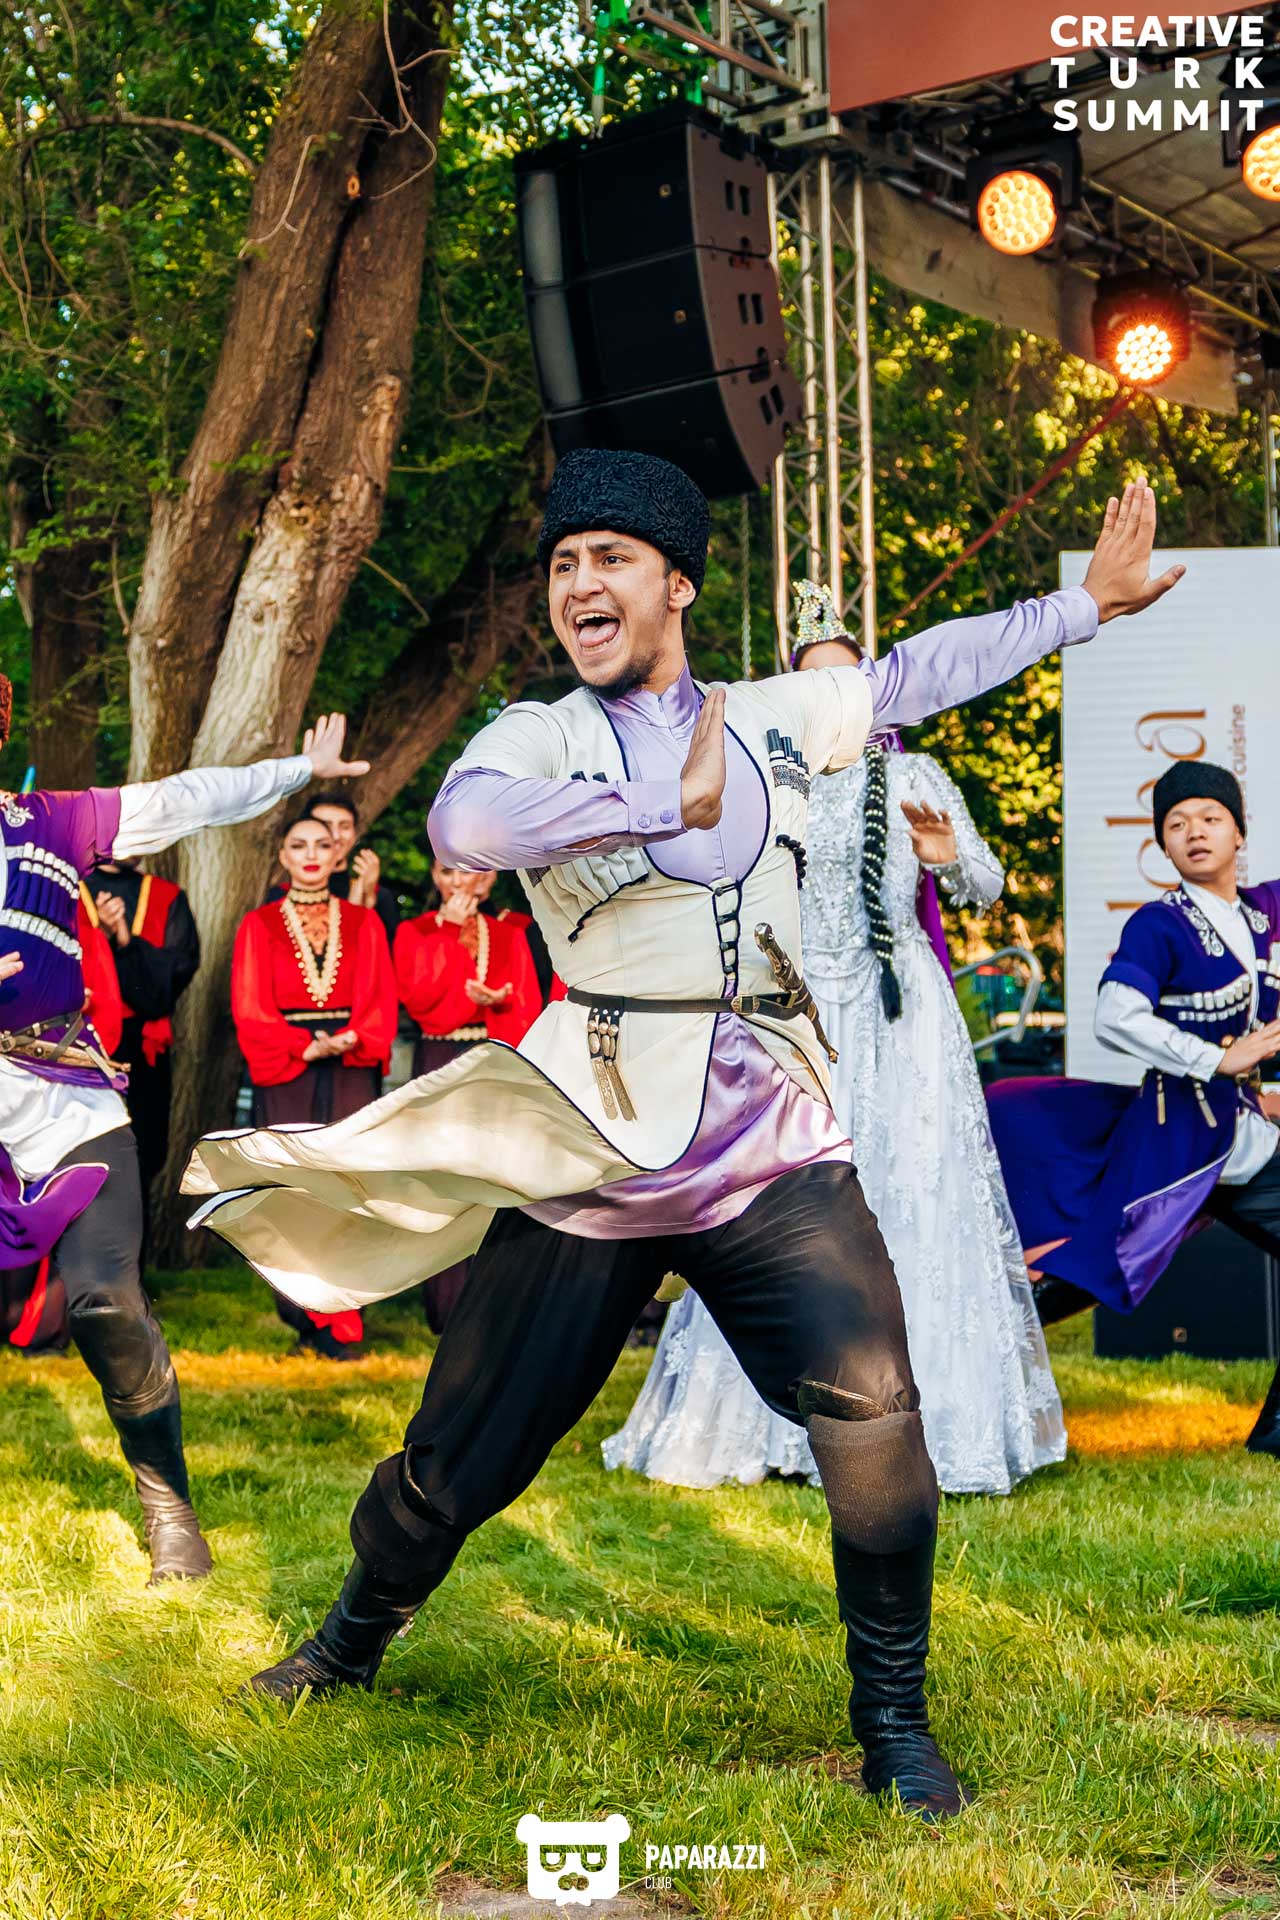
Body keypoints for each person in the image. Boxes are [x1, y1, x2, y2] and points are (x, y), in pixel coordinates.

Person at [184, 459, 1180, 1819]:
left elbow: (918, 671)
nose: (578, 584)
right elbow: (465, 819)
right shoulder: (543, 732)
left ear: (678, 584)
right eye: (562, 564)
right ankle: (349, 1640)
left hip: (770, 1135)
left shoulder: (773, 714)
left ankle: (894, 1722)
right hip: (598, 1138)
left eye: (608, 558)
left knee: (872, 1401)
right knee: (466, 1444)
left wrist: (1084, 609)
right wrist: (664, 805)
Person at [605, 582, 1067, 1497]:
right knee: (787, 1200)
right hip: (798, 1019)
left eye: (844, 680)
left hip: (903, 1019)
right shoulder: (763, 785)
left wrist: (950, 861)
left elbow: (987, 887)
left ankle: (937, 1420)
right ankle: (778, 1422)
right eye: (811, 682)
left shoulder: (917, 778)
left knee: (916, 1191)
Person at [0, 695, 369, 1580]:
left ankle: (168, 1505)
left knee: (105, 1301)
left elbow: (187, 798)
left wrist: (300, 772)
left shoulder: (53, 820)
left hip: (68, 1101)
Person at [987, 760, 1280, 1457]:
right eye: (1176, 824)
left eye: (1210, 818)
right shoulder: (1160, 924)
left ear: (1239, 832)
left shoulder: (1266, 912)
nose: (1194, 832)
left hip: (1243, 1139)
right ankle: (953, 1375)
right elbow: (1115, 1015)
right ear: (1164, 846)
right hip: (1172, 1143)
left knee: (1087, 1270)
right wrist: (1216, 1060)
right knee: (1083, 1274)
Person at [232, 812, 397, 1358]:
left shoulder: (364, 922)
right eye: (298, 845)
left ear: (337, 855)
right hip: (288, 1063)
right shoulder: (259, 924)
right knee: (293, 1188)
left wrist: (353, 1037)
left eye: (321, 845)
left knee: (349, 1185)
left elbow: (380, 997)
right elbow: (249, 1005)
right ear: (282, 856)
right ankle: (304, 1317)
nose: (310, 855)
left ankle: (347, 1321)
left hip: (349, 1064)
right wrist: (299, 1045)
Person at [395, 861, 543, 1332]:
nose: (460, 881)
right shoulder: (414, 932)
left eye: (472, 870)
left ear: (490, 877)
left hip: (491, 1057)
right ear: (435, 877)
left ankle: (498, 1301)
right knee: (443, 1177)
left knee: (495, 1175)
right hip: (440, 1057)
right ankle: (448, 1305)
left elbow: (527, 1008)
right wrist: (450, 934)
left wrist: (500, 1002)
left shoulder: (509, 934)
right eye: (448, 871)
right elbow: (421, 1001)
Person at [82, 858, 200, 1216]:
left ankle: (134, 1253)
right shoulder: (67, 888)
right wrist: (100, 938)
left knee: (140, 1159)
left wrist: (124, 940)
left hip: (142, 1052)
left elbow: (161, 992)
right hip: (79, 1047)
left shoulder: (167, 897)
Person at [267, 791, 399, 945]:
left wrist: (368, 899)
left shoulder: (378, 896)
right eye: (325, 825)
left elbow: (385, 954)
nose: (336, 836)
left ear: (355, 834)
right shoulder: (280, 898)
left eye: (344, 827)